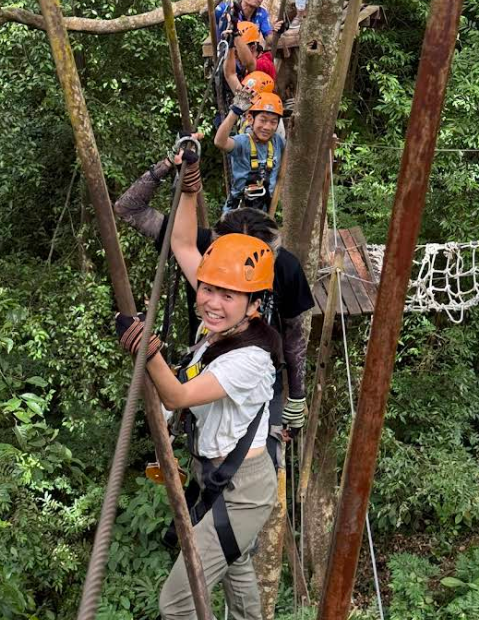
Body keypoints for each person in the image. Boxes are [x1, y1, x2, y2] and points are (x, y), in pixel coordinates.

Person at [116, 155, 282, 619]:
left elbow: (177, 396)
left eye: (224, 295)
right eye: (205, 290)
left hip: (243, 486)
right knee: (237, 563)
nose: (209, 301)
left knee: (177, 602)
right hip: (216, 473)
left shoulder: (251, 356)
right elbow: (185, 244)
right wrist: (190, 190)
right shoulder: (224, 311)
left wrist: (147, 351)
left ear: (252, 304)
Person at [113, 151, 312, 438]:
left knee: (252, 441)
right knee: (208, 442)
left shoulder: (287, 268)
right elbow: (134, 212)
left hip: (253, 370)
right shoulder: (206, 248)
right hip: (207, 359)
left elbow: (293, 333)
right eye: (212, 286)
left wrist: (296, 394)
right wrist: (175, 172)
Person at [214, 89, 285, 213]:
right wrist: (235, 111)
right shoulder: (242, 142)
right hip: (238, 212)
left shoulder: (277, 142)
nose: (267, 127)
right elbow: (220, 142)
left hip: (263, 213)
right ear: (250, 119)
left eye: (273, 122)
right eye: (263, 120)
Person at [215, 0, 281, 45]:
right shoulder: (226, 8)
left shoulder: (262, 13)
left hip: (250, 53)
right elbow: (211, 15)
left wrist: (277, 32)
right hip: (226, 51)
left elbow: (270, 41)